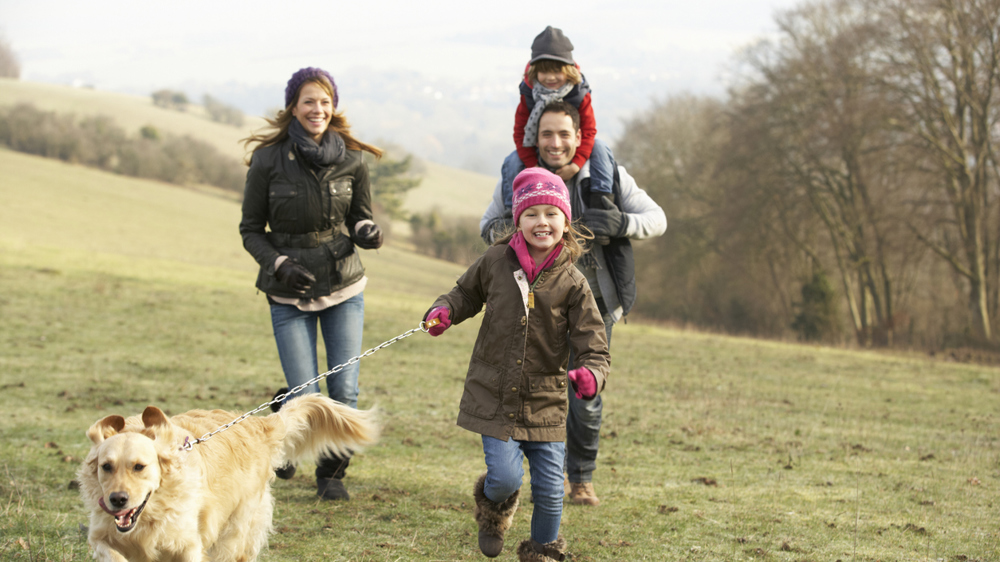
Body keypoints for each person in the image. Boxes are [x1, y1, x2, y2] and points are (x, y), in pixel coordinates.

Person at [481, 100, 667, 507]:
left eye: (565, 133)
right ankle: (547, 480)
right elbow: (487, 225)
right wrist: (515, 230)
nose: (555, 142)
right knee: (536, 391)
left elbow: (657, 218)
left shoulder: (607, 175)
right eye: (547, 133)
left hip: (595, 303)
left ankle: (581, 478)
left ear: (580, 137)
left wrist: (621, 224)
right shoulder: (517, 174)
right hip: (534, 305)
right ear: (535, 137)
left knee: (586, 394)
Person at [424, 168, 610, 561]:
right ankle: (493, 510)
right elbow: (463, 294)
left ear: (565, 220)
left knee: (549, 489)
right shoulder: (495, 261)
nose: (542, 221)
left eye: (551, 213)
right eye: (532, 214)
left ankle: (542, 552)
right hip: (493, 394)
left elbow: (594, 345)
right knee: (505, 478)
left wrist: (591, 375)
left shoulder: (574, 283)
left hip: (545, 402)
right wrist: (443, 311)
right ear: (518, 221)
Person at [239, 67, 384, 501]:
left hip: (343, 285)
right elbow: (249, 229)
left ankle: (331, 474)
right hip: (287, 291)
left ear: (333, 106)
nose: (317, 109)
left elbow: (360, 215)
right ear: (294, 107)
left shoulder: (353, 159)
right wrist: (279, 262)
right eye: (308, 101)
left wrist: (365, 231)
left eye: (324, 101)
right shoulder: (268, 160)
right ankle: (285, 419)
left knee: (344, 389)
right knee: (306, 393)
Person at [501, 25, 617, 242]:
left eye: (557, 70)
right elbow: (519, 131)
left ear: (569, 69)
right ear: (535, 72)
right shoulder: (529, 93)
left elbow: (590, 130)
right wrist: (532, 165)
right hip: (538, 152)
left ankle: (601, 203)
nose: (551, 77)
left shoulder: (579, 92)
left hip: (577, 148)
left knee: (601, 148)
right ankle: (512, 213)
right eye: (544, 71)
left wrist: (576, 164)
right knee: (512, 161)